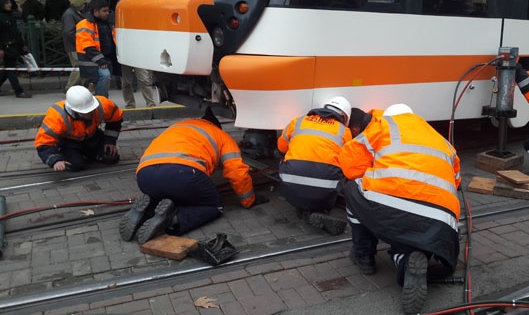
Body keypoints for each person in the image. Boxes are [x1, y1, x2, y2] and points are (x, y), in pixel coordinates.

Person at [339, 104, 461, 314]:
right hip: (442, 222)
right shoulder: (442, 140)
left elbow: (350, 167)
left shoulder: (382, 126)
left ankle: (363, 255)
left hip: (391, 208)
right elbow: (456, 181)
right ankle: (406, 260)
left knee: (351, 188)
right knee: (414, 229)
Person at [119, 107, 257, 245]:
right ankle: (172, 220)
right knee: (214, 205)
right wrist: (248, 200)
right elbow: (237, 172)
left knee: (171, 194)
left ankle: (146, 212)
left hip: (145, 176)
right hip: (181, 174)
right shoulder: (221, 136)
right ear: (217, 126)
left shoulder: (179, 126)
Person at [277, 96, 352, 235]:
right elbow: (349, 161)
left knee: (285, 156)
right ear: (344, 116)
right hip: (324, 194)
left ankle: (303, 207)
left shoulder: (297, 122)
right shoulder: (344, 132)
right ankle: (318, 210)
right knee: (342, 168)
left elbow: (281, 147)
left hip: (289, 188)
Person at [34, 85, 123, 171]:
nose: (90, 113)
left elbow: (116, 119)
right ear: (74, 110)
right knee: (75, 165)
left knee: (111, 157)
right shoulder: (57, 116)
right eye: (86, 112)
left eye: (92, 110)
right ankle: (66, 153)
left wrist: (109, 141)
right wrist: (55, 160)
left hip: (92, 138)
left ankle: (88, 154)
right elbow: (43, 142)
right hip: (69, 143)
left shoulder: (103, 105)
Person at [118, 0, 156, 108]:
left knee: (144, 79)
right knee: (126, 82)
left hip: (138, 51)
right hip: (125, 52)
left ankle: (150, 103)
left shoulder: (141, 16)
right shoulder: (118, 16)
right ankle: (130, 104)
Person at [76, 0, 116, 98]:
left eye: (108, 10)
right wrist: (100, 60)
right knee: (105, 76)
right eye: (104, 11)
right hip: (92, 60)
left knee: (102, 81)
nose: (107, 13)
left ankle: (99, 100)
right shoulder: (84, 24)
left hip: (103, 59)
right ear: (95, 11)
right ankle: (100, 100)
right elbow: (87, 45)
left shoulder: (107, 22)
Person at [0, 0, 31, 98]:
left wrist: (22, 45)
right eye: (6, 3)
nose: (9, 5)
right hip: (6, 47)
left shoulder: (10, 15)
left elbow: (15, 32)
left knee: (8, 69)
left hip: (14, 46)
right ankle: (19, 91)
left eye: (9, 2)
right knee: (11, 70)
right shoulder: (1, 17)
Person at [61, 0, 85, 92]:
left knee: (79, 66)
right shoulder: (70, 14)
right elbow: (69, 32)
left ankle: (78, 86)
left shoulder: (72, 13)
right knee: (78, 66)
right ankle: (69, 87)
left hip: (75, 44)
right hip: (74, 46)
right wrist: (78, 41)